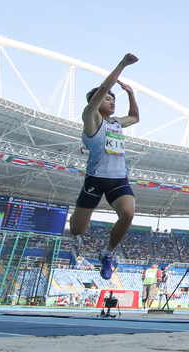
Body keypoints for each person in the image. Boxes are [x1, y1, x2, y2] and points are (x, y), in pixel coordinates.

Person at [70, 53, 140, 280]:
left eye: (113, 99)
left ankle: (108, 253)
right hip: (95, 179)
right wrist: (122, 65)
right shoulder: (90, 117)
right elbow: (103, 88)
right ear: (96, 103)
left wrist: (130, 93)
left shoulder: (117, 123)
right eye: (108, 98)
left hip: (118, 179)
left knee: (128, 214)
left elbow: (135, 117)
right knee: (77, 230)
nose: (112, 100)